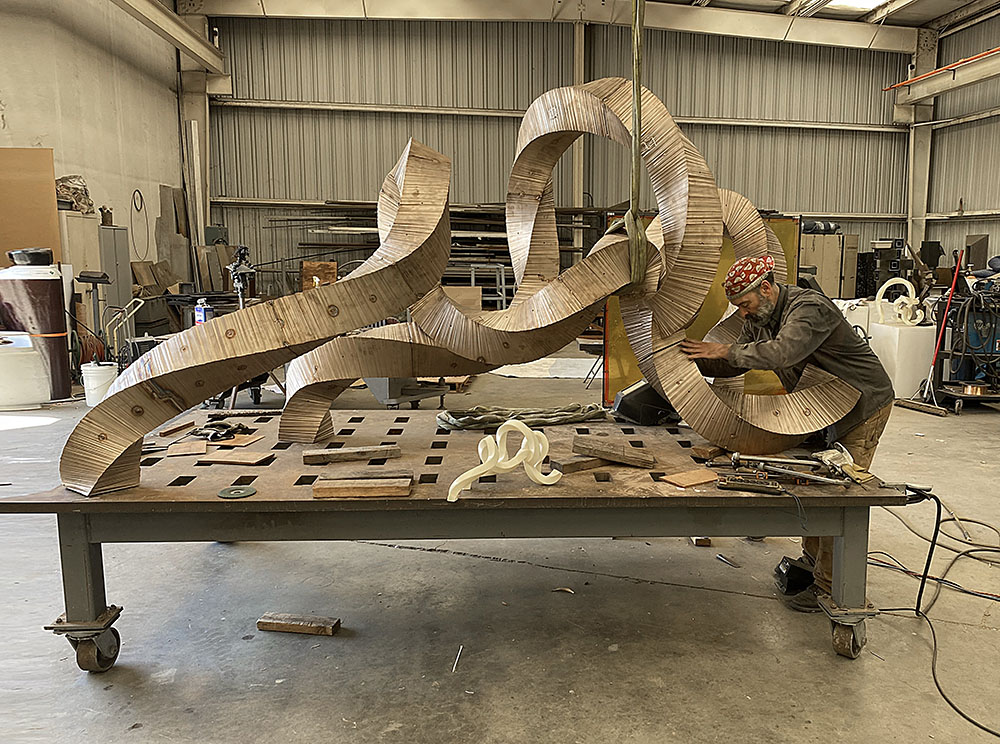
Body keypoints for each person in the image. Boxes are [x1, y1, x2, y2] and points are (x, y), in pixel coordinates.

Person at [680, 254, 894, 612]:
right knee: (815, 488)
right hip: (822, 405)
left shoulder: (808, 309)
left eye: (745, 305)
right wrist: (692, 359)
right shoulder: (760, 318)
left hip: (861, 406)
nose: (744, 314)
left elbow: (782, 353)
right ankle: (813, 567)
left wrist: (723, 347)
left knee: (838, 495)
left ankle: (832, 588)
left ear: (766, 288)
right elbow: (736, 360)